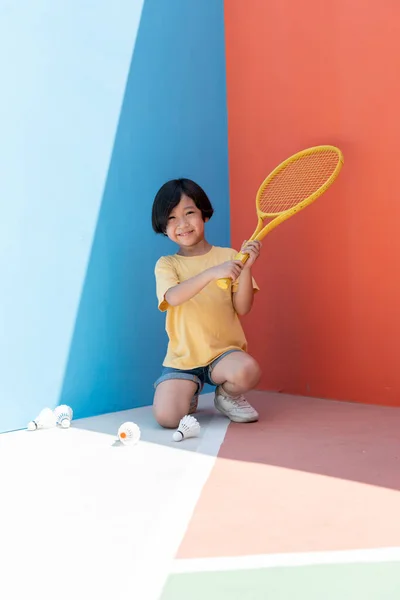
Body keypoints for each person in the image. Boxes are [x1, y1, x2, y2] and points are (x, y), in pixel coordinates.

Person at [151, 178, 262, 428]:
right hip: (182, 360)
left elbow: (243, 308)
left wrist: (246, 269)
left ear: (205, 215)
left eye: (189, 213)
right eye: (171, 218)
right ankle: (188, 392)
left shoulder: (229, 256)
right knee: (167, 418)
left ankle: (226, 396)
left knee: (249, 370)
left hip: (223, 356)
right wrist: (213, 273)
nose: (182, 224)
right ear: (163, 227)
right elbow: (173, 297)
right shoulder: (167, 264)